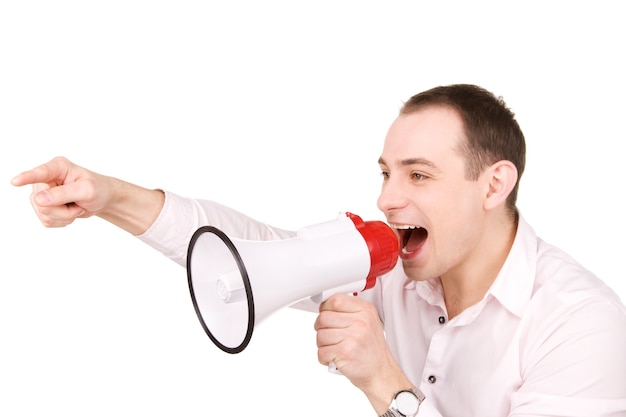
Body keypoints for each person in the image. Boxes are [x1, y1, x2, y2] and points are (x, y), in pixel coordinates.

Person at [11, 84, 626, 417]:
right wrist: (108, 197)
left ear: (495, 184)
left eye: (418, 175)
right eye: (385, 173)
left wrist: (385, 383)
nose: (387, 198)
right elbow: (245, 248)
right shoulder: (392, 272)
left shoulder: (581, 323)